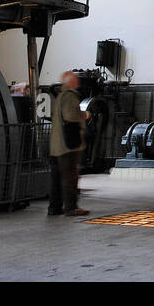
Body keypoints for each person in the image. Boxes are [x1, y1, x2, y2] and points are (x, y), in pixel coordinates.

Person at [48, 71, 88, 217]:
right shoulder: (70, 96)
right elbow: (71, 116)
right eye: (76, 79)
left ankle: (54, 208)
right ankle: (71, 207)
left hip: (56, 145)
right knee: (70, 176)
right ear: (71, 82)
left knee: (56, 178)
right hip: (68, 145)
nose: (77, 82)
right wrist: (85, 115)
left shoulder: (59, 96)